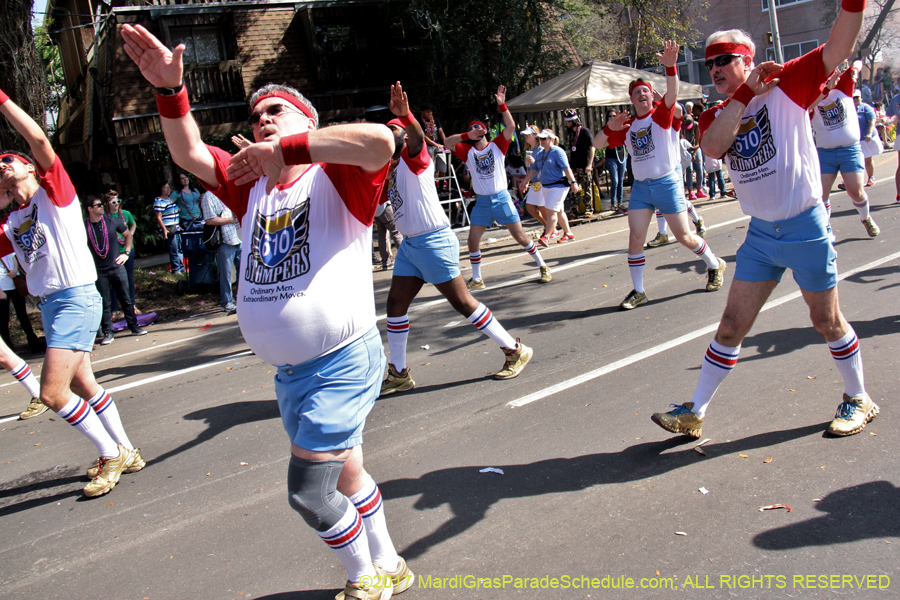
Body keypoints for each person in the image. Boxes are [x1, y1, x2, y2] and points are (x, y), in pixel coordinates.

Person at [122, 23, 410, 600]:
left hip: (343, 361)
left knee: (308, 491)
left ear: (308, 124)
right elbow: (187, 151)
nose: (262, 119)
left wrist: (288, 149)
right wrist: (170, 91)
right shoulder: (248, 187)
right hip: (291, 375)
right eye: (257, 117)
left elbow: (382, 140)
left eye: (277, 111)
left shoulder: (340, 176)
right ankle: (392, 562)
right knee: (347, 474)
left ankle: (366, 578)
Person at [650, 2, 877, 440]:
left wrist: (854, 5)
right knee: (732, 325)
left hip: (805, 225)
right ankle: (695, 411)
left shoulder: (789, 83)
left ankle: (858, 397)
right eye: (710, 61)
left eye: (724, 60)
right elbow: (715, 148)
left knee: (826, 321)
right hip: (760, 235)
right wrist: (743, 95)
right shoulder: (717, 113)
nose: (714, 68)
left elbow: (837, 47)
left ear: (747, 60)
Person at [0, 88, 144, 497]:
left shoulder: (54, 195)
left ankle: (109, 451)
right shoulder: (12, 223)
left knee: (51, 393)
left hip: (76, 297)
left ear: (30, 168)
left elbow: (40, 141)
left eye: (10, 161)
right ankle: (128, 451)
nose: (4, 167)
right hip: (51, 305)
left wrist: (3, 100)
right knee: (84, 387)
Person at [380, 82, 533, 394]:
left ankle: (515, 349)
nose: (390, 140)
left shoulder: (416, 157)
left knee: (463, 303)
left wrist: (405, 115)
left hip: (433, 242)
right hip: (410, 246)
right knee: (395, 304)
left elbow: (419, 137)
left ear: (405, 138)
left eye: (395, 134)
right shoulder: (390, 169)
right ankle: (398, 373)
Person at [593, 40, 726, 311]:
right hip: (642, 188)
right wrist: (610, 127)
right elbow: (596, 144)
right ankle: (639, 291)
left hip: (666, 183)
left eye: (646, 91)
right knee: (634, 238)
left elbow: (673, 92)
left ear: (652, 96)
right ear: (631, 99)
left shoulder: (661, 115)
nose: (642, 94)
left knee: (685, 236)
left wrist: (670, 66)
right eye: (637, 92)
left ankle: (714, 264)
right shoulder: (627, 126)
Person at [444, 86, 552, 288]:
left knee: (520, 237)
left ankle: (543, 265)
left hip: (502, 198)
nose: (477, 132)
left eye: (479, 129)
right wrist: (466, 135)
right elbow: (447, 142)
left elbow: (510, 126)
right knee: (472, 241)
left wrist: (502, 104)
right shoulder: (467, 151)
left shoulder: (496, 145)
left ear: (485, 130)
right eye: (473, 130)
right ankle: (477, 279)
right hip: (482, 202)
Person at [809, 61, 880, 237]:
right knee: (821, 195)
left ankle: (866, 218)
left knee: (855, 191)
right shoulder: (812, 95)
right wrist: (824, 88)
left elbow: (857, 62)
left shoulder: (844, 84)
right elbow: (805, 108)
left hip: (850, 149)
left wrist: (855, 70)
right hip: (826, 152)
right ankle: (826, 230)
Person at [85, 194, 147, 344]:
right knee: (104, 302)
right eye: (98, 205)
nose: (101, 207)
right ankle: (108, 332)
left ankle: (134, 327)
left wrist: (126, 253)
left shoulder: (112, 221)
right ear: (89, 209)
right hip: (100, 270)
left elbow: (128, 235)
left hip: (117, 266)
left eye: (101, 204)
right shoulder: (84, 227)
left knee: (126, 298)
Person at [520, 129, 579, 245]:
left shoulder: (557, 151)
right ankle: (568, 233)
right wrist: (525, 181)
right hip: (546, 186)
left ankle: (547, 235)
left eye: (543, 139)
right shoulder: (541, 153)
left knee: (550, 211)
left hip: (558, 185)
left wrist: (573, 182)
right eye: (540, 138)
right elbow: (534, 169)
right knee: (559, 211)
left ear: (551, 139)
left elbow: (566, 168)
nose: (541, 141)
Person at [200, 190, 241, 312]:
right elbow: (210, 220)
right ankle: (227, 301)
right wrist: (231, 220)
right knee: (226, 273)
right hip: (224, 239)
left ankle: (242, 298)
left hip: (239, 236)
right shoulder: (208, 196)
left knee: (243, 270)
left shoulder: (231, 190)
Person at [0, 251, 44, 353]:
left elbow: (13, 257)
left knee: (22, 315)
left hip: (15, 282)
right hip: (3, 287)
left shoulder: (4, 242)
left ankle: (34, 344)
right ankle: (8, 349)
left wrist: (15, 270)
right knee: (3, 319)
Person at [105, 191, 140, 315]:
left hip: (127, 250)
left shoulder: (125, 214)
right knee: (115, 280)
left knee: (129, 278)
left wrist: (130, 235)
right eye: (113, 202)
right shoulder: (105, 216)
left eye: (118, 202)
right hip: (114, 251)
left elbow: (133, 224)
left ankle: (132, 305)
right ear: (108, 204)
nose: (116, 204)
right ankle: (114, 309)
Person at [563, 109, 596, 216]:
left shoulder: (585, 131)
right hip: (573, 165)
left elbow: (592, 147)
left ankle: (589, 208)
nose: (567, 124)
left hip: (584, 165)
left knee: (586, 187)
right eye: (566, 121)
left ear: (574, 121)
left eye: (569, 121)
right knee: (573, 189)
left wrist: (589, 164)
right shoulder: (570, 134)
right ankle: (573, 210)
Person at [153, 180, 185, 274]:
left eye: (168, 187)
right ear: (160, 189)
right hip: (168, 228)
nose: (168, 189)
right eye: (165, 187)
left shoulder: (169, 200)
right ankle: (176, 269)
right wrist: (164, 229)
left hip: (176, 227)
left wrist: (178, 225)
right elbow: (158, 217)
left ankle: (181, 267)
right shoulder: (158, 201)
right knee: (173, 249)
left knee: (179, 248)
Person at [604, 110, 628, 213]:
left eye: (614, 116)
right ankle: (613, 203)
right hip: (611, 157)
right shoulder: (607, 128)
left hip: (621, 156)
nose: (612, 118)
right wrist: (608, 127)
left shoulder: (620, 126)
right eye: (610, 116)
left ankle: (620, 202)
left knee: (621, 180)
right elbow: (603, 140)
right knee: (615, 180)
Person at [854, 89, 879, 186]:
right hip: (854, 139)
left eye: (857, 97)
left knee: (867, 159)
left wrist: (869, 133)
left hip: (865, 138)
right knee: (854, 160)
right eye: (853, 97)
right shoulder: (849, 108)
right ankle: (851, 182)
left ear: (861, 98)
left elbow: (872, 121)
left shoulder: (865, 108)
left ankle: (871, 177)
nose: (855, 99)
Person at [373, 194, 404, 271]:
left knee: (382, 235)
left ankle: (385, 262)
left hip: (375, 207)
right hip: (384, 204)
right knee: (396, 232)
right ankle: (406, 258)